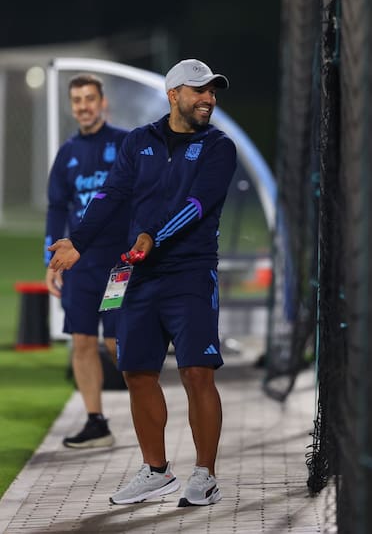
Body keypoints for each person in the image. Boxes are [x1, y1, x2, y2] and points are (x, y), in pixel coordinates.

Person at [48, 58, 237, 507]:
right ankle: (157, 471)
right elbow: (112, 194)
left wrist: (154, 237)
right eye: (199, 91)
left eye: (212, 91)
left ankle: (205, 475)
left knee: (196, 372)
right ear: (174, 95)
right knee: (136, 371)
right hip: (138, 275)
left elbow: (197, 205)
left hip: (191, 272)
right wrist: (78, 240)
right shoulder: (139, 142)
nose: (208, 98)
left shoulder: (218, 147)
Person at [45, 73, 130, 449]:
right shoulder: (67, 154)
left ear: (103, 102)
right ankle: (97, 423)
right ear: (71, 106)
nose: (83, 106)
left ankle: (151, 407)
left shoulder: (125, 144)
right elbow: (56, 208)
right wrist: (50, 260)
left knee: (116, 340)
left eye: (89, 98)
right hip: (79, 268)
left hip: (118, 266)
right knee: (81, 341)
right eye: (77, 100)